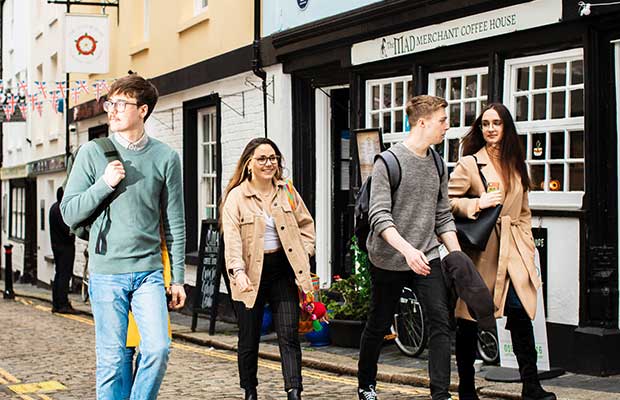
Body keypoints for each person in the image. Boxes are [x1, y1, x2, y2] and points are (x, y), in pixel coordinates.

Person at [61, 74, 186, 400]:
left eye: (121, 103)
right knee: (113, 361)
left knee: (158, 349)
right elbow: (69, 212)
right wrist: (104, 183)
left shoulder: (166, 158)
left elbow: (175, 223)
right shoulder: (92, 153)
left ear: (142, 110)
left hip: (149, 273)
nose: (111, 110)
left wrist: (179, 278)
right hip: (106, 273)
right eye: (110, 103)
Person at [448, 103, 556, 400]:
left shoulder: (516, 163)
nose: (490, 129)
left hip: (514, 253)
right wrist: (477, 203)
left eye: (496, 123)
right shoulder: (470, 164)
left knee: (521, 314)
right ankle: (467, 389)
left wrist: (526, 244)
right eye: (485, 124)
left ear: (506, 127)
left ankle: (531, 386)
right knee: (470, 320)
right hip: (483, 254)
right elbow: (447, 202)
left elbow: (523, 211)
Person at [358, 95, 461, 400]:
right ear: (422, 122)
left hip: (427, 255)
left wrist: (456, 256)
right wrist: (406, 250)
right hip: (389, 258)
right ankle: (366, 384)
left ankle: (440, 395)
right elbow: (379, 215)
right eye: (442, 120)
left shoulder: (439, 164)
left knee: (441, 321)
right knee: (379, 322)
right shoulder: (387, 162)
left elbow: (443, 215)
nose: (447, 126)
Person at [221, 137, 315, 400]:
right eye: (262, 158)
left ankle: (294, 392)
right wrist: (238, 273)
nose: (268, 163)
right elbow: (232, 241)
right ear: (249, 163)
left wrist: (304, 254)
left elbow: (307, 226)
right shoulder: (236, 197)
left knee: (289, 335)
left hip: (281, 271)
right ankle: (250, 391)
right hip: (249, 274)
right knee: (249, 338)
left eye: (273, 158)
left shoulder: (287, 191)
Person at [49, 186, 78, 314]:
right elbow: (68, 230)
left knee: (59, 273)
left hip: (56, 245)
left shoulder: (53, 208)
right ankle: (62, 304)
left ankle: (56, 303)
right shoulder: (62, 209)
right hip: (65, 246)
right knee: (65, 275)